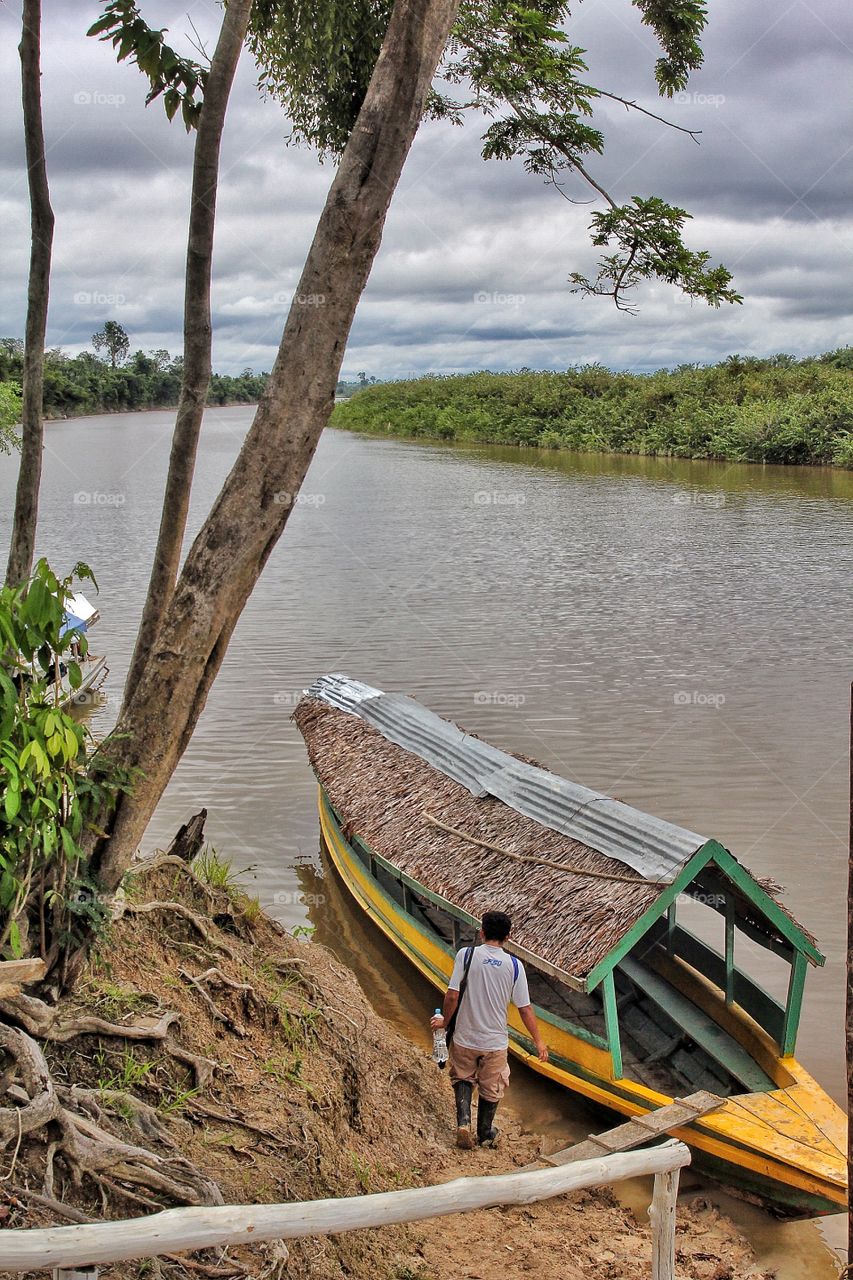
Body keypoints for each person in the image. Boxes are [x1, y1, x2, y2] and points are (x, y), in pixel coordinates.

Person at [431, 909, 548, 1149]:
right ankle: (484, 1132)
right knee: (492, 1086)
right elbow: (525, 1009)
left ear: (482, 932)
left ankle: (463, 1123)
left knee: (462, 1076)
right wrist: (538, 1041)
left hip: (465, 1036)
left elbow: (452, 996)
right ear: (509, 937)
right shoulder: (515, 966)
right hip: (495, 1043)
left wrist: (444, 1022)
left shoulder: (466, 955)